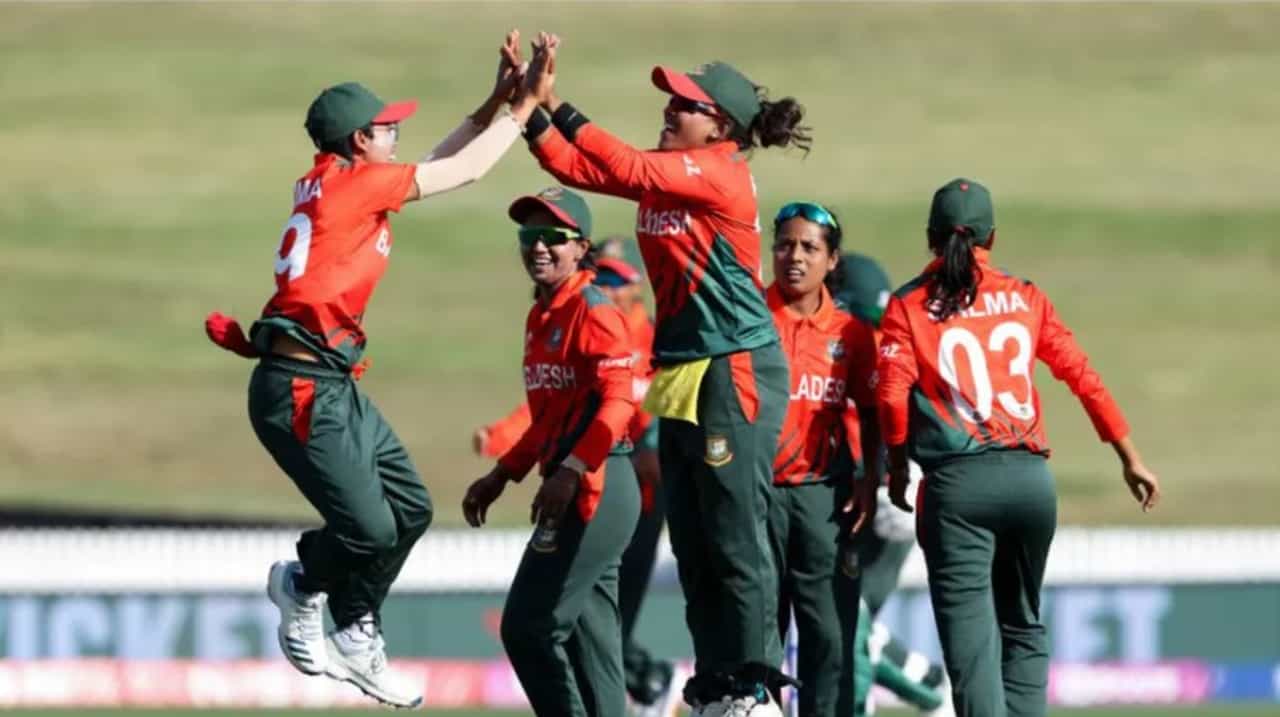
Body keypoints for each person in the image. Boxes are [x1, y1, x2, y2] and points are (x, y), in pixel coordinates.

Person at [200, 32, 547, 707]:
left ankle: (357, 629)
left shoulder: (342, 180)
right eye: (388, 129)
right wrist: (525, 108)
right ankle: (303, 583)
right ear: (360, 141)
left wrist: (496, 101)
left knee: (411, 509)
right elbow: (465, 170)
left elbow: (436, 162)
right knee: (370, 529)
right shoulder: (356, 187)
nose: (396, 137)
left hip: (328, 382)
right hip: (299, 390)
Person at [522, 33, 839, 716]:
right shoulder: (669, 172)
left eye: (685, 104)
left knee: (735, 526)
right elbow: (574, 166)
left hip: (734, 362)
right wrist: (527, 112)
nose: (670, 109)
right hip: (680, 367)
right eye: (671, 100)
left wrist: (559, 103)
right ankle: (717, 682)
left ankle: (755, 683)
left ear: (718, 125)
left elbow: (624, 162)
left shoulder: (720, 171)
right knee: (691, 532)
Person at [874, 178, 1162, 717]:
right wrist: (1130, 458)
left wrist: (895, 467)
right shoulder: (1025, 296)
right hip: (1031, 484)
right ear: (992, 237)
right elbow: (1083, 378)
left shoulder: (908, 304)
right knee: (1023, 626)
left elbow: (891, 394)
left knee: (973, 648)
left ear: (931, 236)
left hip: (958, 488)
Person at [473, 243, 683, 716]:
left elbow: (634, 406)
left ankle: (654, 682)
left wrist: (581, 466)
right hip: (584, 482)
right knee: (597, 639)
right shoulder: (555, 320)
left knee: (537, 627)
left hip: (619, 488)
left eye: (619, 282)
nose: (610, 289)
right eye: (603, 278)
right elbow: (545, 414)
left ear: (637, 289)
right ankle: (644, 686)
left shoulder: (639, 333)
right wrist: (502, 465)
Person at [462, 186, 640, 717]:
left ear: (581, 247)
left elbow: (620, 403)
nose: (538, 247)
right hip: (574, 483)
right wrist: (501, 475)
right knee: (594, 649)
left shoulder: (594, 311)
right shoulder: (541, 316)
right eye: (529, 235)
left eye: (553, 237)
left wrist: (571, 470)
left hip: (599, 485)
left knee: (529, 628)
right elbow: (547, 421)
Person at [764, 202, 881, 717]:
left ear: (832, 260)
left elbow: (873, 411)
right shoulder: (747, 319)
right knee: (757, 640)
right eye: (785, 245)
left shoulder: (851, 333)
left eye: (809, 247)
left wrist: (870, 478)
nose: (795, 257)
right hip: (756, 498)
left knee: (830, 641)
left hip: (824, 500)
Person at [833, 253, 954, 717]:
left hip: (884, 511)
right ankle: (932, 687)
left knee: (849, 624)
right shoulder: (823, 345)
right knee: (842, 625)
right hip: (837, 504)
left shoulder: (895, 352)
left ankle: (933, 691)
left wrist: (911, 477)